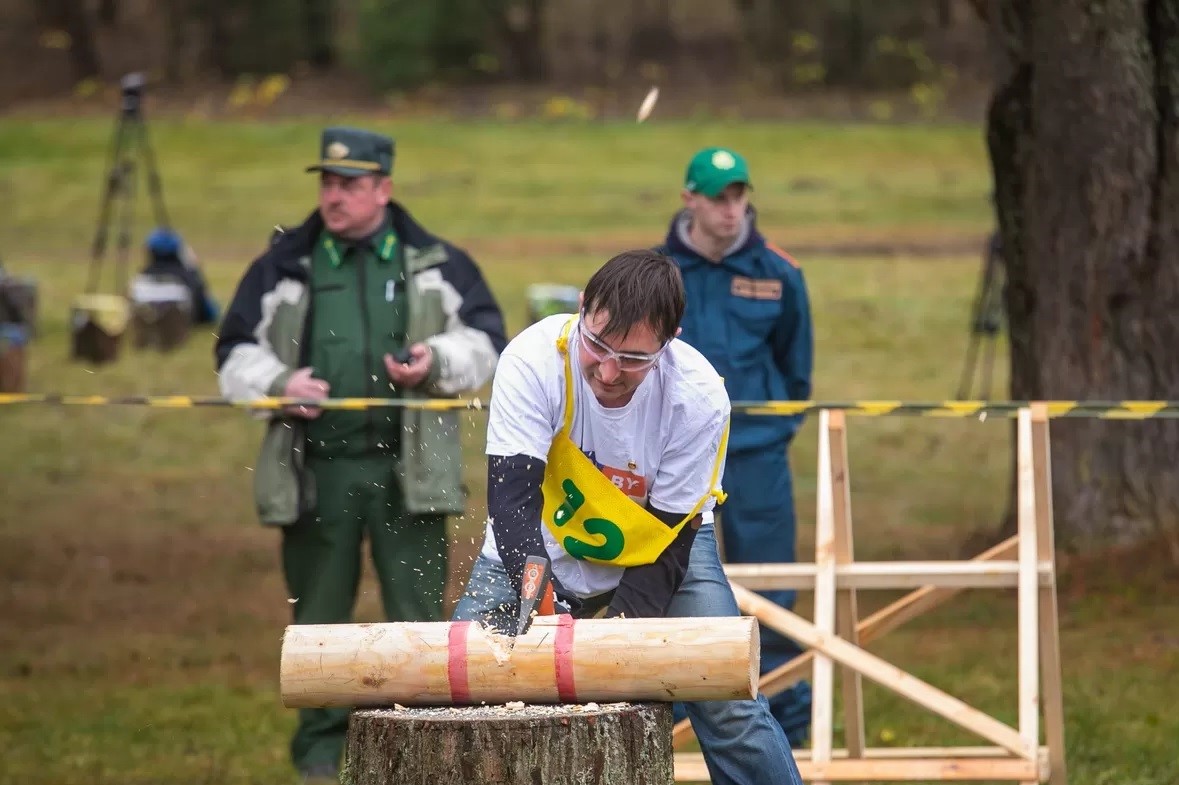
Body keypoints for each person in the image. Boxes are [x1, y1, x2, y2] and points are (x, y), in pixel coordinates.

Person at [214, 126, 508, 784]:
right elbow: (232, 350)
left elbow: (488, 341)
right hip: (318, 472)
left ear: (383, 188)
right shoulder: (285, 263)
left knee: (418, 623)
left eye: (349, 183)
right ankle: (319, 758)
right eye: (326, 182)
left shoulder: (436, 259)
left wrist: (437, 361)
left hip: (413, 474)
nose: (333, 196)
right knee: (317, 624)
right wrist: (278, 383)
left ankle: (426, 753)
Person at [453, 249, 804, 785]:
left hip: (661, 546)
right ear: (581, 307)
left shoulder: (700, 396)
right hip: (538, 540)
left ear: (669, 342)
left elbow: (671, 537)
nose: (609, 371)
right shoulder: (532, 358)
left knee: (727, 698)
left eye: (634, 358)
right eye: (597, 346)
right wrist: (542, 607)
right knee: (451, 687)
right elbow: (512, 498)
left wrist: (615, 640)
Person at [655, 146, 815, 746]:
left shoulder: (780, 271)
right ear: (689, 199)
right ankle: (663, 720)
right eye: (718, 197)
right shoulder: (656, 271)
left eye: (740, 195)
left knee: (771, 589)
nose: (731, 209)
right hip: (669, 461)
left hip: (755, 455)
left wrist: (767, 435)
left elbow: (795, 374)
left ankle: (786, 724)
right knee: (666, 581)